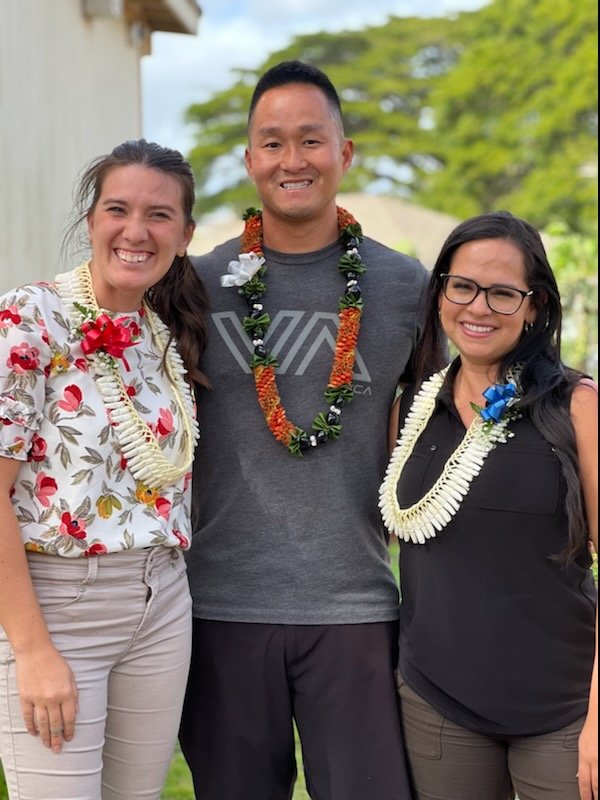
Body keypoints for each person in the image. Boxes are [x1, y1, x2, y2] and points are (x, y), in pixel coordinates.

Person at [178, 59, 429, 800]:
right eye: (273, 142)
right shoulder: (191, 287)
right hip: (220, 606)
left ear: (344, 153)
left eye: (312, 140)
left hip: (358, 608)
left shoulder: (407, 287)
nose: (293, 160)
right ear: (249, 159)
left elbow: (439, 425)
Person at [0, 138, 210, 799]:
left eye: (159, 215)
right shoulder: (30, 317)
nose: (136, 231)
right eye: (118, 209)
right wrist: (33, 650)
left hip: (162, 603)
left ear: (185, 235)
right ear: (91, 220)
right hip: (59, 607)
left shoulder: (162, 334)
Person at [379, 211, 598, 800]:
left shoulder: (577, 407)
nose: (478, 307)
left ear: (534, 306)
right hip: (437, 705)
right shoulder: (412, 407)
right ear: (441, 292)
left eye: (502, 293)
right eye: (463, 286)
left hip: (563, 711)